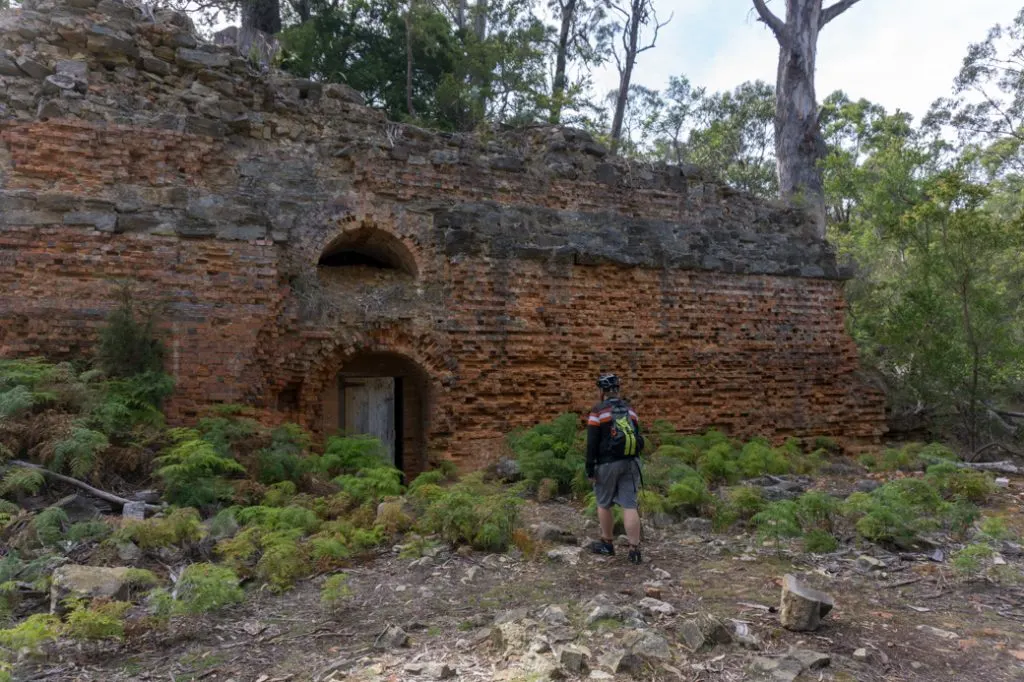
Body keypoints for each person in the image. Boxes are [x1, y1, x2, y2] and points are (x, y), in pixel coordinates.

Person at [586, 373, 645, 564]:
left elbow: (592, 442)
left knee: (604, 503)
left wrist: (590, 468)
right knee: (629, 504)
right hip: (631, 462)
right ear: (618, 390)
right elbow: (639, 438)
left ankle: (607, 543)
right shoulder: (630, 410)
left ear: (602, 391)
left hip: (607, 463)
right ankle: (634, 550)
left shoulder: (598, 411)